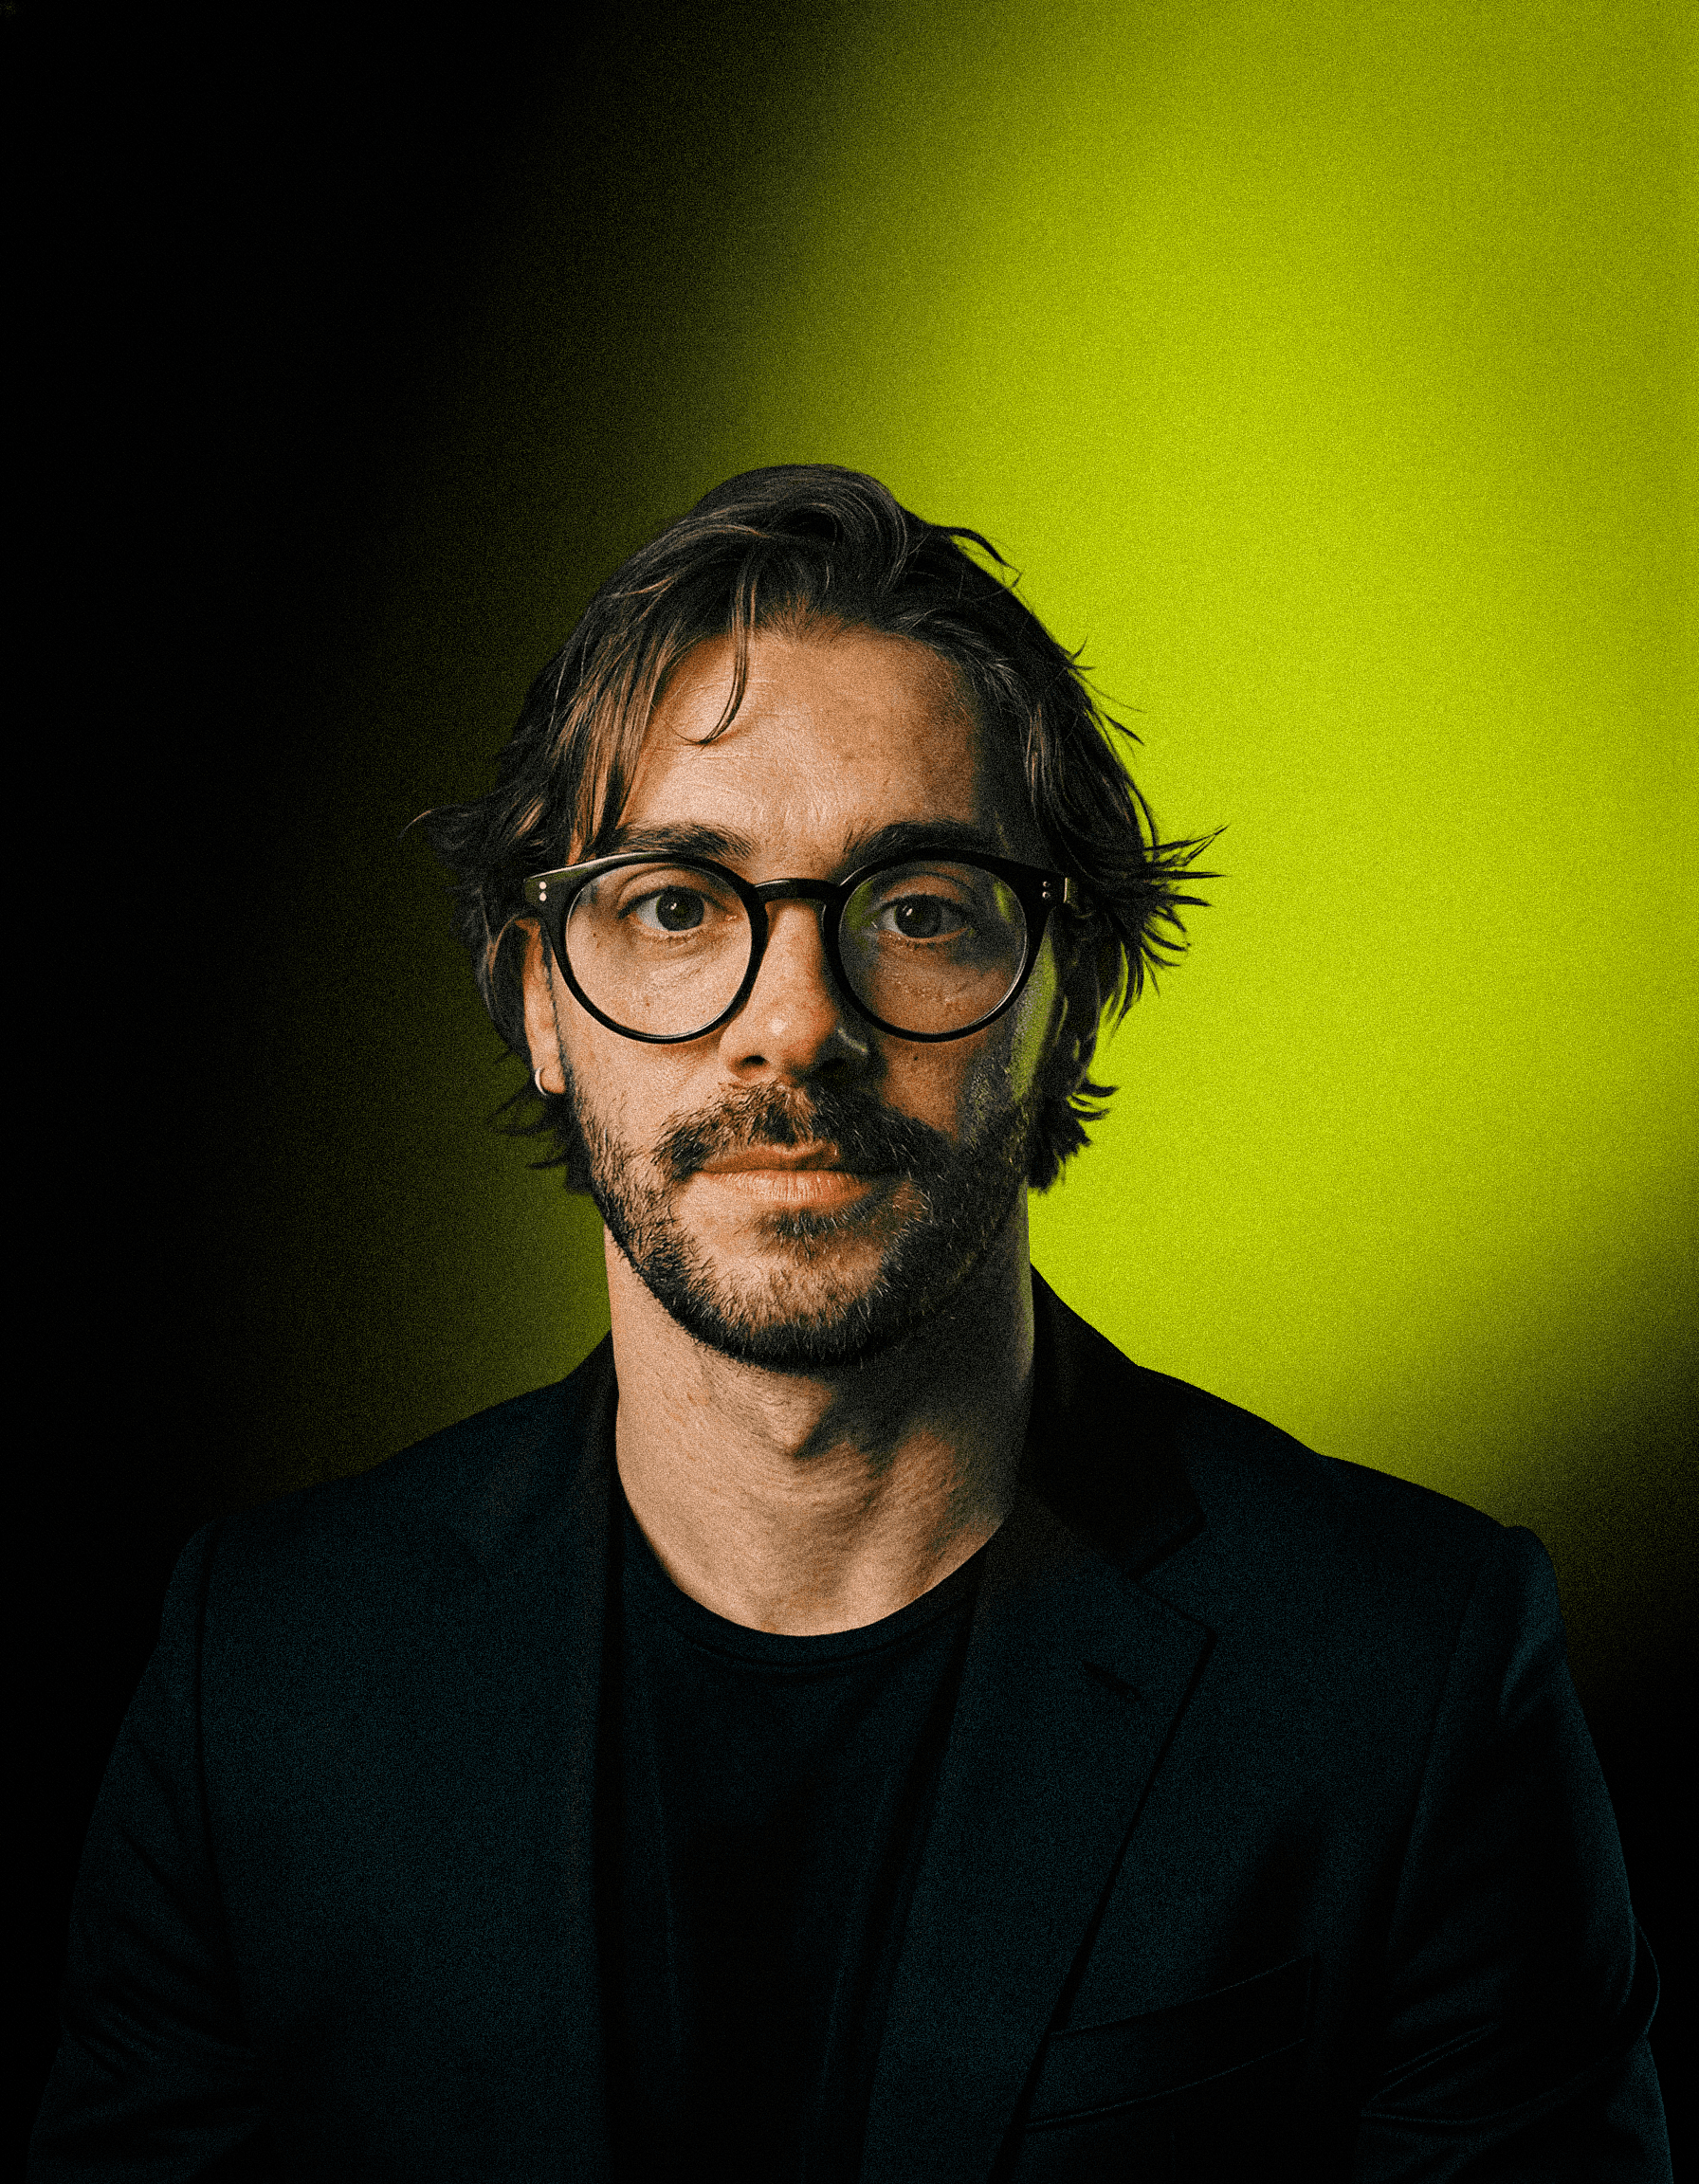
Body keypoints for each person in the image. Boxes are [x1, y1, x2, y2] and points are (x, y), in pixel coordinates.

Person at [30, 466, 1670, 2180]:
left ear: (1069, 1001)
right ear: (540, 1006)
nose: (795, 1026)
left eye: (918, 908)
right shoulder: (266, 1682)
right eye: (676, 903)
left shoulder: (1407, 1683)